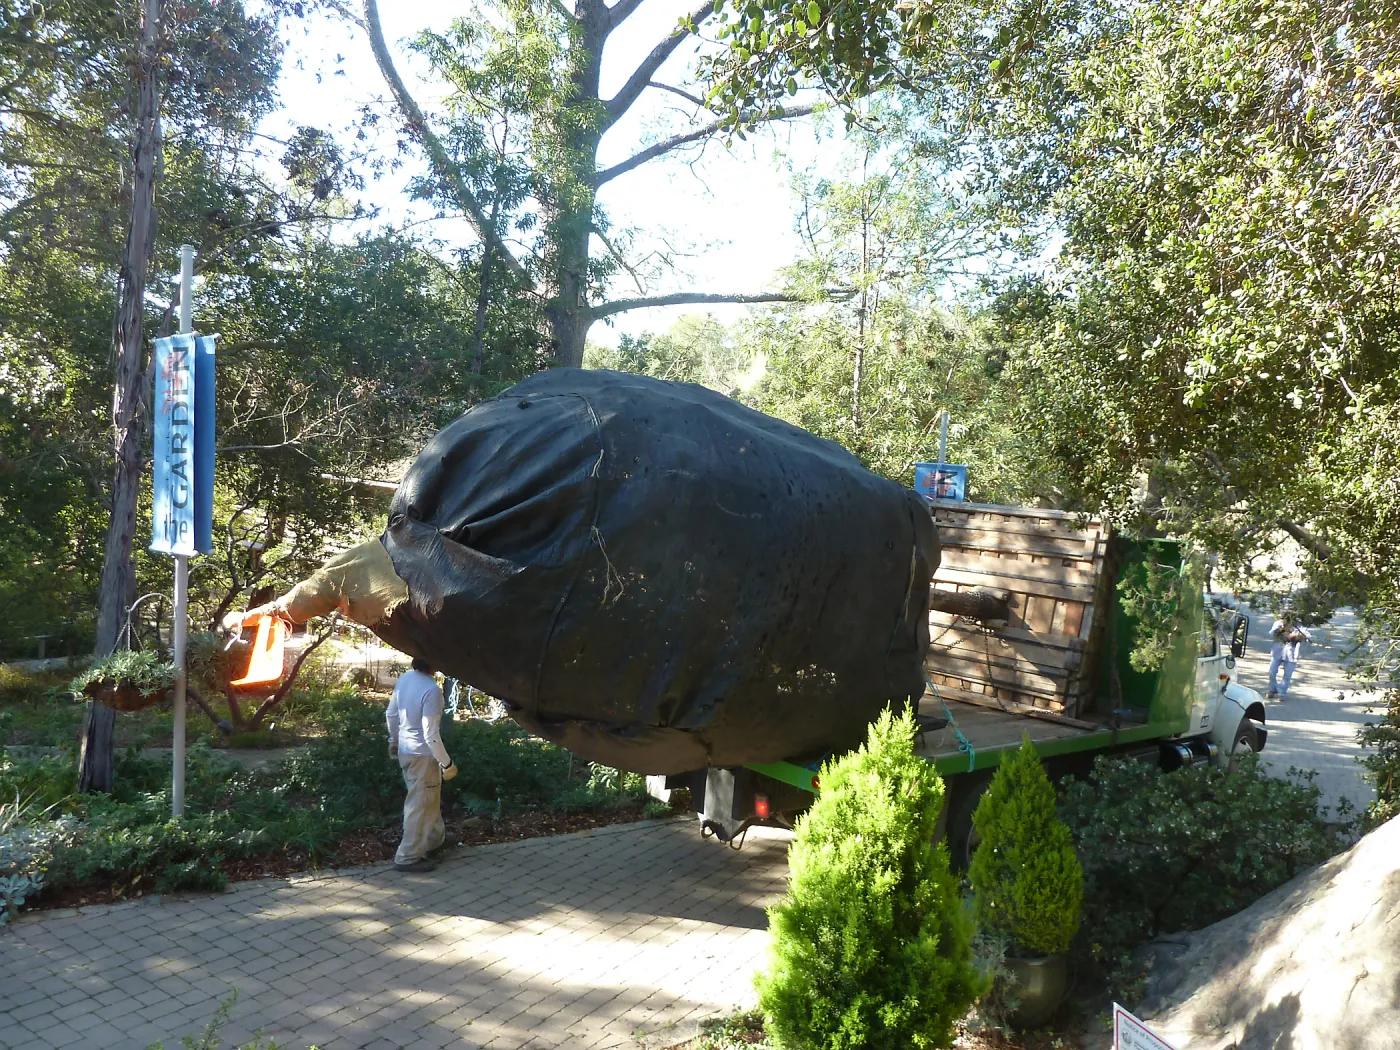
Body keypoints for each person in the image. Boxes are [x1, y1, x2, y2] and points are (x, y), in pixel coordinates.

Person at [385, 658, 458, 872]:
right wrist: (447, 763)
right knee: (420, 804)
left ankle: (435, 840)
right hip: (423, 756)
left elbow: (391, 713)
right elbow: (431, 734)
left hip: (406, 752)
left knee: (428, 798)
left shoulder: (405, 679)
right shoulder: (432, 690)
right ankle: (407, 858)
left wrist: (394, 740)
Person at [1267, 611, 1312, 700]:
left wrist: (1297, 635)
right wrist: (1282, 629)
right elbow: (1272, 633)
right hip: (1278, 651)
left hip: (1292, 652)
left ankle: (1282, 693)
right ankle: (1273, 689)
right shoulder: (1278, 623)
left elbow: (1308, 637)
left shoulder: (1299, 626)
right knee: (1272, 671)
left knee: (1287, 675)